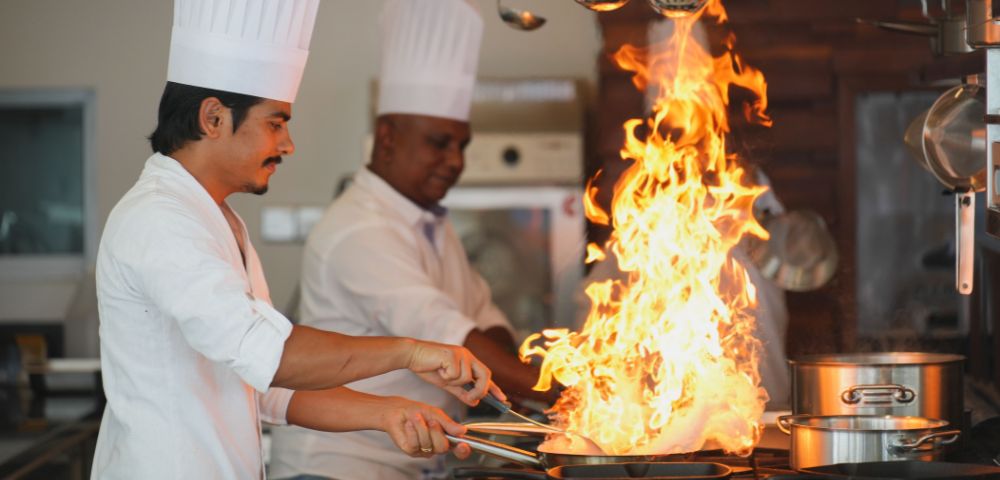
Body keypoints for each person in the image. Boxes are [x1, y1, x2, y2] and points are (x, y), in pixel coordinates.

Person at [92, 1, 498, 478]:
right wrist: (410, 352)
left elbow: (264, 386)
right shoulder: (159, 219)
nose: (287, 145)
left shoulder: (217, 220)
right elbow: (274, 357)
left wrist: (388, 412)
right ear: (213, 118)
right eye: (275, 123)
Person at [269, 1, 555, 478]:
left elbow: (487, 328)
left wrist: (511, 370)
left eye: (461, 144)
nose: (455, 161)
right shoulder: (360, 229)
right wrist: (572, 392)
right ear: (388, 139)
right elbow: (451, 337)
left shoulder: (433, 225)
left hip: (411, 464)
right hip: (337, 469)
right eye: (439, 142)